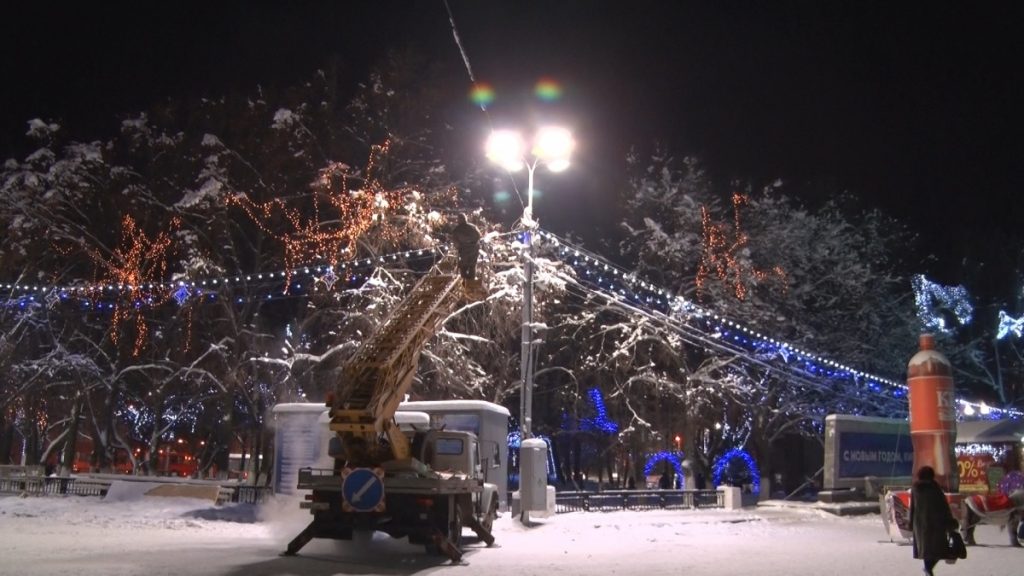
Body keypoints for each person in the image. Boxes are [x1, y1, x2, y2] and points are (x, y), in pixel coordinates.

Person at [910, 465, 958, 576]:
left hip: (920, 525)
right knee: (940, 550)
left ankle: (928, 569)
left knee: (927, 550)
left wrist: (910, 522)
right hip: (936, 524)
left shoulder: (915, 488)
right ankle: (928, 569)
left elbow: (912, 507)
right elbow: (943, 506)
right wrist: (950, 521)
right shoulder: (935, 488)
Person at [451, 213, 481, 280]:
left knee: (463, 267)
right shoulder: (473, 227)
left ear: (459, 219)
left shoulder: (457, 230)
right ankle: (471, 281)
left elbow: (455, 241)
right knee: (472, 266)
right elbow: (478, 236)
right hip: (474, 249)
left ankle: (465, 282)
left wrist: (458, 247)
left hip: (464, 250)